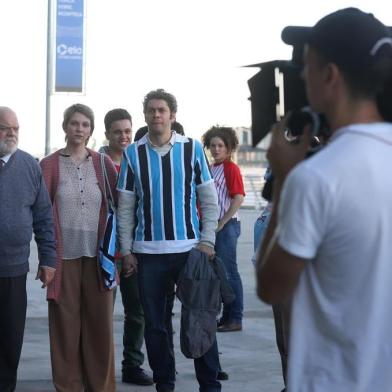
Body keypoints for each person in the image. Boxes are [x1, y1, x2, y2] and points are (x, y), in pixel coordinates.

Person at [257, 8, 392, 392]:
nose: (300, 76)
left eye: (306, 65)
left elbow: (272, 287)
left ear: (330, 75)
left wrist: (284, 179)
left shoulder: (316, 178)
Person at [117, 89, 221, 392]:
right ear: (145, 115)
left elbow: (209, 199)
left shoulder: (192, 149)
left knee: (201, 321)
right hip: (147, 254)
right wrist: (127, 250)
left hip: (189, 251)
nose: (156, 115)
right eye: (151, 110)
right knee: (155, 327)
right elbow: (125, 207)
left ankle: (210, 386)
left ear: (172, 115)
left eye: (161, 110)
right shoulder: (132, 153)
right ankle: (165, 384)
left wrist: (207, 241)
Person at [40, 103, 118, 391]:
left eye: (85, 124)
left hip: (99, 259)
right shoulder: (48, 164)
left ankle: (101, 385)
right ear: (65, 126)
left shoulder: (102, 163)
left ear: (91, 130)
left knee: (100, 326)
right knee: (65, 326)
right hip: (64, 258)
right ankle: (68, 385)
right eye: (74, 123)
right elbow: (41, 214)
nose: (79, 129)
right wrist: (46, 259)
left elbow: (118, 206)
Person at [0, 107, 56, 391]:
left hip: (13, 269)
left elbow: (44, 217)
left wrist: (48, 259)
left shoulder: (29, 166)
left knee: (10, 338)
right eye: (5, 127)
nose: (11, 133)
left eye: (16, 128)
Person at [100, 108, 153, 386]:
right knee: (100, 314)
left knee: (137, 311)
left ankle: (132, 364)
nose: (124, 136)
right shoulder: (96, 162)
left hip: (132, 249)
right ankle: (99, 367)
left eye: (128, 131)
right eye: (118, 131)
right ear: (107, 133)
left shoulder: (137, 161)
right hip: (104, 251)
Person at [202, 126, 245, 332]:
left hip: (227, 226)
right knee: (219, 273)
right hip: (214, 226)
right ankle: (226, 316)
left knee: (229, 272)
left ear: (229, 148)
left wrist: (224, 222)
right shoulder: (210, 168)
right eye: (213, 146)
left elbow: (238, 197)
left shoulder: (231, 168)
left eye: (220, 146)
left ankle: (235, 317)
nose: (216, 149)